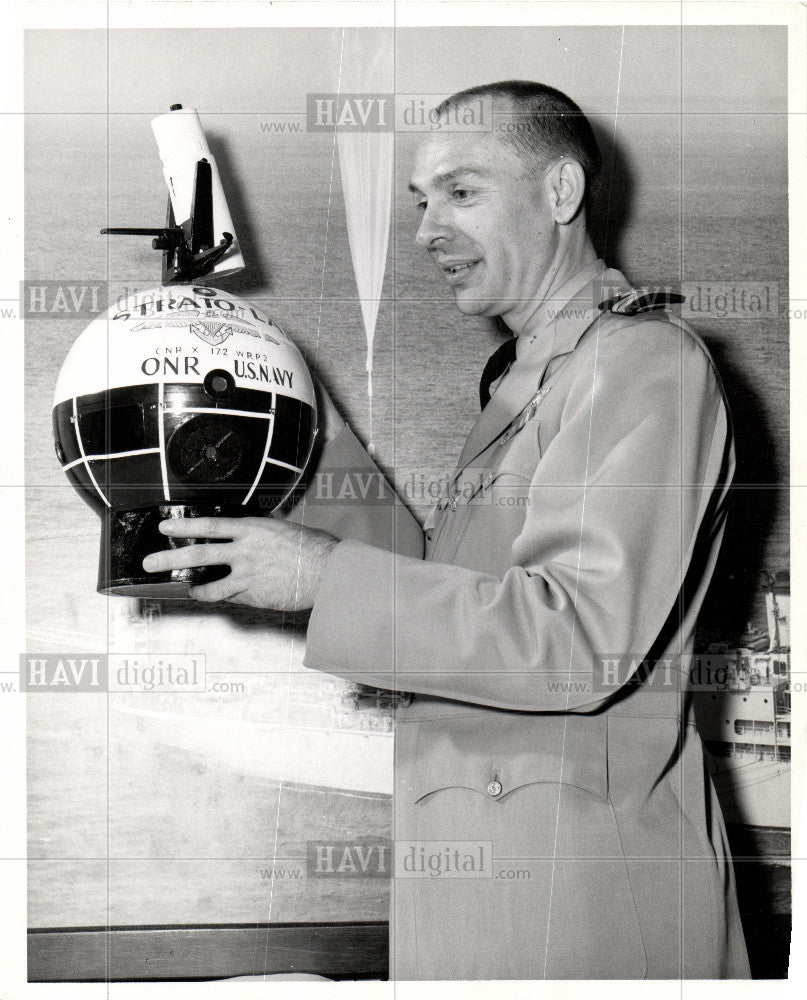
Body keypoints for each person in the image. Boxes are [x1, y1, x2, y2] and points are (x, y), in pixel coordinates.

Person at [143, 80, 751, 980]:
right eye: (422, 202)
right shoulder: (536, 380)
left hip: (581, 919)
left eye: (461, 193)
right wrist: (262, 383)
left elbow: (573, 640)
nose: (427, 230)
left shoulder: (642, 364)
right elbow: (448, 607)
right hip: (487, 909)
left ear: (559, 194)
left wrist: (320, 579)